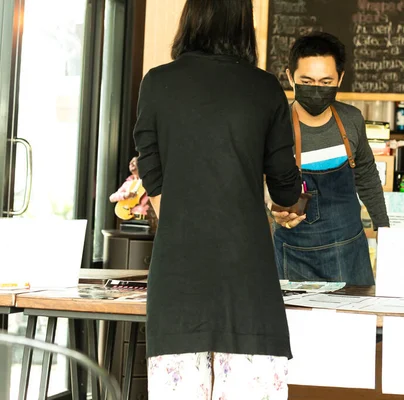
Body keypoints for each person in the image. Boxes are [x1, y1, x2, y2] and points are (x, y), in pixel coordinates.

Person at [134, 0, 301, 398]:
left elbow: (151, 172)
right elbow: (285, 186)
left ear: (190, 19)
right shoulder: (264, 88)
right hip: (247, 279)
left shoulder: (157, 83)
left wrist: (183, 218)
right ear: (245, 24)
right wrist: (289, 204)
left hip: (177, 279)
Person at [267, 32, 389, 285]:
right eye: (307, 81)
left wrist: (385, 228)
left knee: (355, 324)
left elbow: (366, 175)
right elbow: (254, 183)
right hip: (295, 254)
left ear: (340, 79)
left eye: (325, 82)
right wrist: (272, 211)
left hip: (350, 250)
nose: (316, 89)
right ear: (290, 77)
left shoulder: (351, 120)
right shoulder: (275, 126)